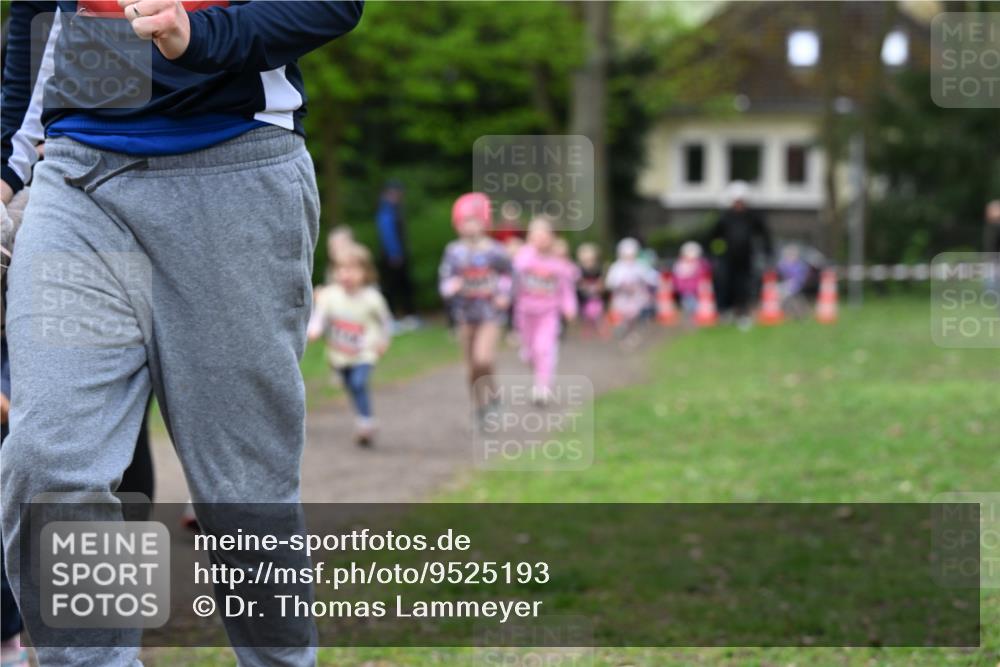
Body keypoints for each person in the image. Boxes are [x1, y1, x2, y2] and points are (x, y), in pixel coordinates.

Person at [0, 2, 363, 665]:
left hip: (236, 169)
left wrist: (198, 36)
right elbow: (38, 17)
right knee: (50, 459)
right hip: (77, 180)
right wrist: (6, 164)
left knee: (242, 491)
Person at [308, 243, 391, 447]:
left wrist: (384, 341)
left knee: (358, 383)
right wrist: (314, 329)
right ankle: (364, 418)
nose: (346, 274)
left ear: (365, 272)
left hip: (365, 353)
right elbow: (319, 316)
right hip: (339, 355)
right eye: (341, 269)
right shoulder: (330, 296)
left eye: (353, 269)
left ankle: (366, 423)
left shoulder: (372, 298)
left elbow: (386, 322)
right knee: (351, 386)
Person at [439, 192, 512, 421]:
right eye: (464, 221)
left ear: (485, 222)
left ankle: (494, 394)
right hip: (464, 315)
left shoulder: (495, 251)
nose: (469, 226)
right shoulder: (454, 251)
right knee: (471, 367)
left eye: (474, 220)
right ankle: (479, 407)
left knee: (483, 359)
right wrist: (451, 286)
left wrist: (504, 294)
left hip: (489, 314)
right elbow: (444, 279)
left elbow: (510, 276)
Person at [512, 218, 578, 404]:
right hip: (524, 313)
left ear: (552, 237)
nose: (540, 237)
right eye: (535, 233)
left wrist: (569, 308)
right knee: (530, 353)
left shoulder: (559, 263)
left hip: (548, 312)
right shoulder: (524, 256)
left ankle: (543, 387)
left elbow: (566, 289)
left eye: (544, 233)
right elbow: (514, 274)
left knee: (544, 348)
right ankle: (537, 372)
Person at [707, 181, 773, 329]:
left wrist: (767, 252)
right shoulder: (725, 218)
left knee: (744, 286)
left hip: (746, 259)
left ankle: (743, 313)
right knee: (725, 284)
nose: (739, 205)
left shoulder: (752, 217)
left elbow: (764, 235)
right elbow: (713, 238)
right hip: (727, 259)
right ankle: (725, 311)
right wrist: (715, 254)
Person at [375, 180, 419, 330]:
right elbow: (388, 234)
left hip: (395, 255)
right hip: (392, 257)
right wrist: (395, 254)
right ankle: (394, 318)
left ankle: (404, 316)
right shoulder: (387, 210)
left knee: (400, 286)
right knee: (394, 287)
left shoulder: (392, 208)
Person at [605, 237, 659, 340]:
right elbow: (611, 282)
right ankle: (624, 330)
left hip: (637, 297)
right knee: (623, 315)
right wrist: (621, 285)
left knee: (634, 316)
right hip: (622, 297)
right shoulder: (617, 267)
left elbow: (651, 278)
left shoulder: (640, 265)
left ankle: (632, 332)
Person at [673, 241, 710, 318]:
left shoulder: (700, 264)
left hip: (699, 290)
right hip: (686, 291)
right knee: (691, 306)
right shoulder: (681, 265)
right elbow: (678, 279)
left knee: (698, 306)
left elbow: (706, 271)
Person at [575, 242, 605, 337]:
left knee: (597, 312)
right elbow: (578, 283)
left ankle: (599, 328)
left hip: (596, 297)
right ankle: (588, 328)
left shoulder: (598, 270)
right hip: (584, 298)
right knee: (587, 314)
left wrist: (599, 287)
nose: (589, 263)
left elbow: (601, 283)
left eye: (591, 260)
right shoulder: (579, 270)